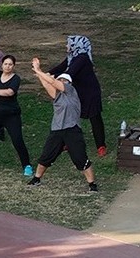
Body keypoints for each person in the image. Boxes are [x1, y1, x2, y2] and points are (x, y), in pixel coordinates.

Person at [27, 61, 98, 193]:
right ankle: (36, 179)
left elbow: (52, 82)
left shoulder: (71, 91)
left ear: (69, 83)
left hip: (72, 130)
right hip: (57, 130)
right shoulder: (57, 96)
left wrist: (38, 71)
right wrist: (40, 73)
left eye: (64, 80)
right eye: (60, 80)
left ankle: (92, 184)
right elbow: (47, 84)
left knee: (80, 158)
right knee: (46, 156)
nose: (61, 82)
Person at [48, 35, 106, 155]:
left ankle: (101, 146)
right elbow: (62, 67)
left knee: (95, 118)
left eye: (69, 43)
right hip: (78, 91)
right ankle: (70, 142)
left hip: (90, 92)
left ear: (76, 45)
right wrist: (48, 73)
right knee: (72, 118)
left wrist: (51, 77)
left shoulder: (82, 58)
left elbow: (70, 73)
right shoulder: (72, 57)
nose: (66, 46)